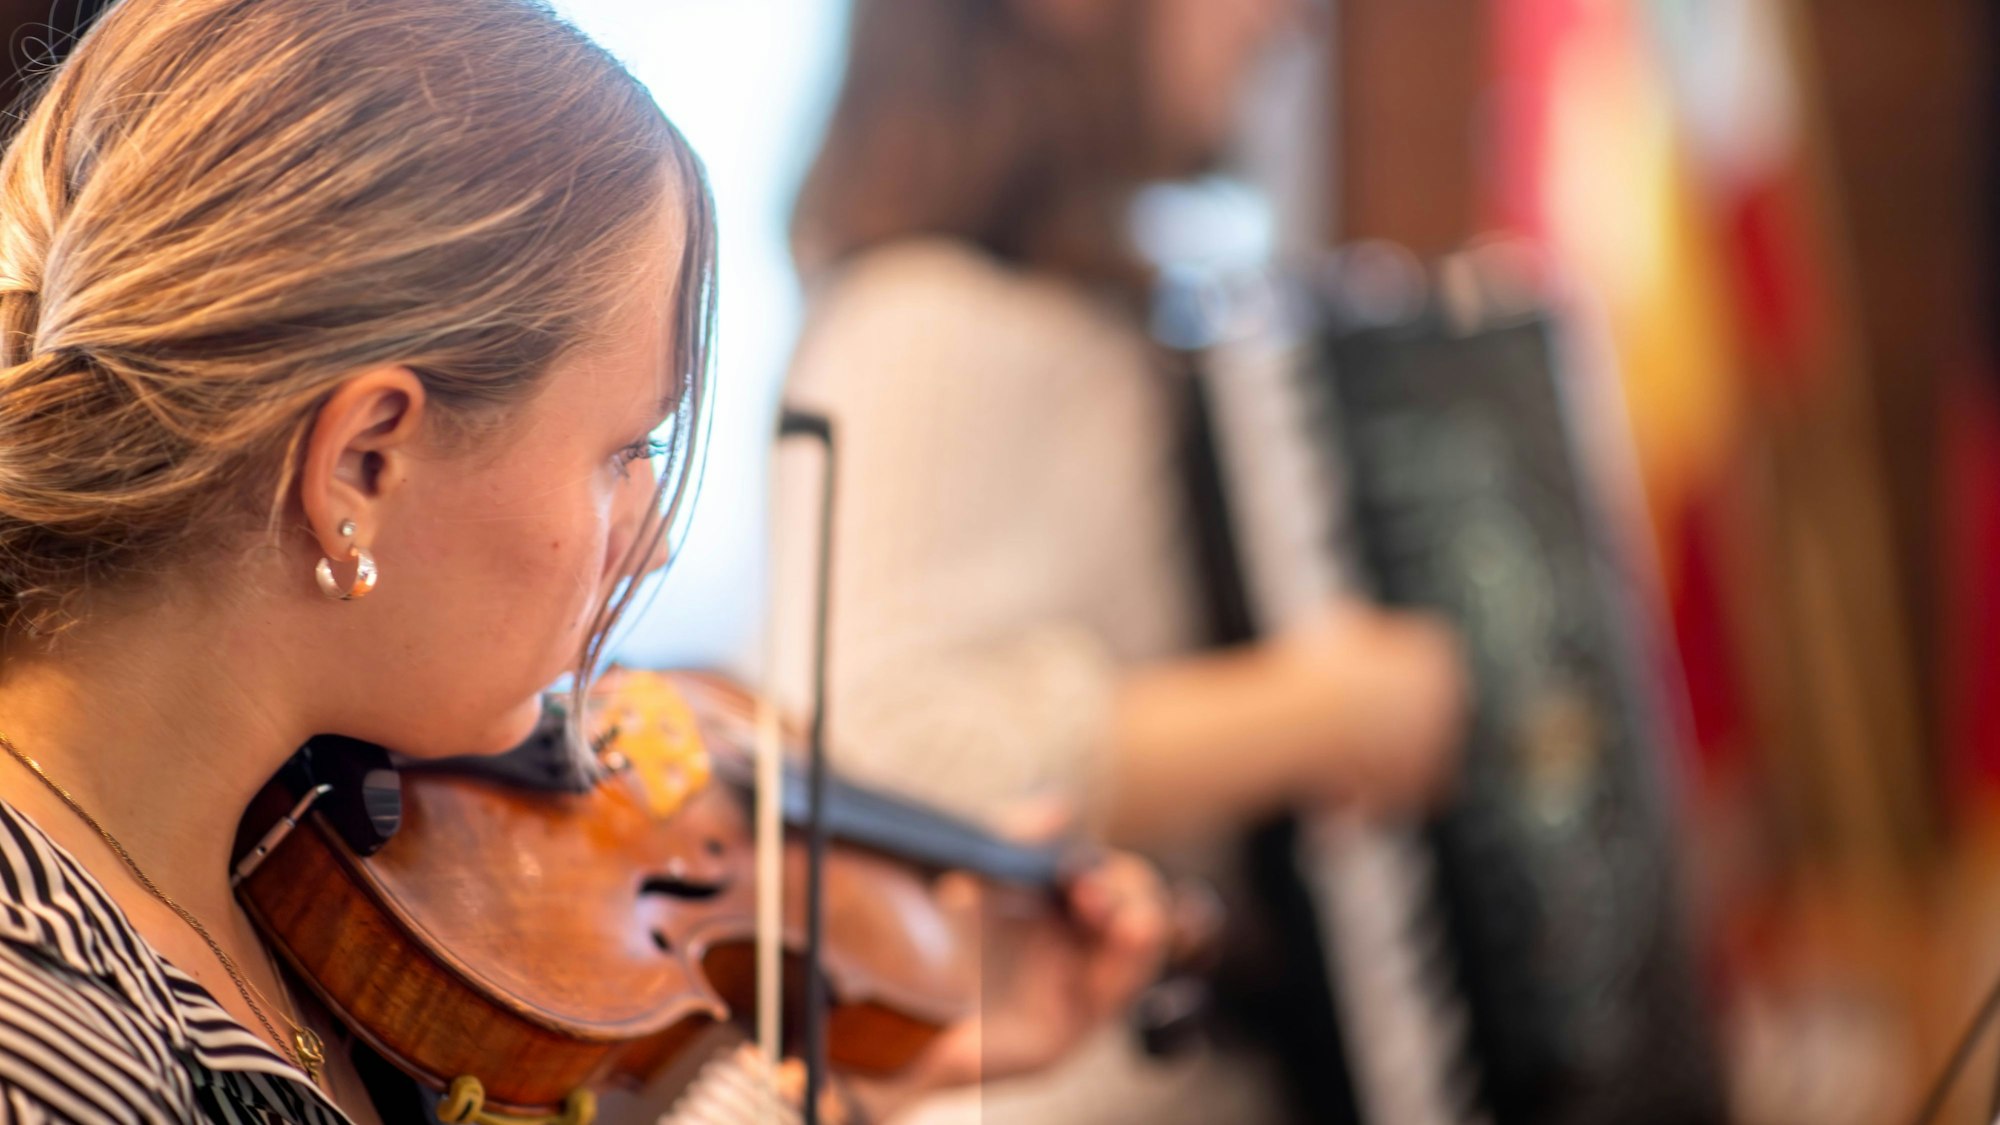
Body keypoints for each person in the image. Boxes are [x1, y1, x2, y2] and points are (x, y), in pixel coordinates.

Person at [0, 0, 1170, 1121]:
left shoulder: (281, 860)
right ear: (361, 465)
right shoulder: (45, 1042)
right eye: (625, 450)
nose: (649, 538)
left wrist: (868, 1074)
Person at [777, 0, 1470, 1121]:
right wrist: (1316, 711)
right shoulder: (925, 319)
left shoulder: (1062, 320)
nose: (1284, 20)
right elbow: (883, 750)